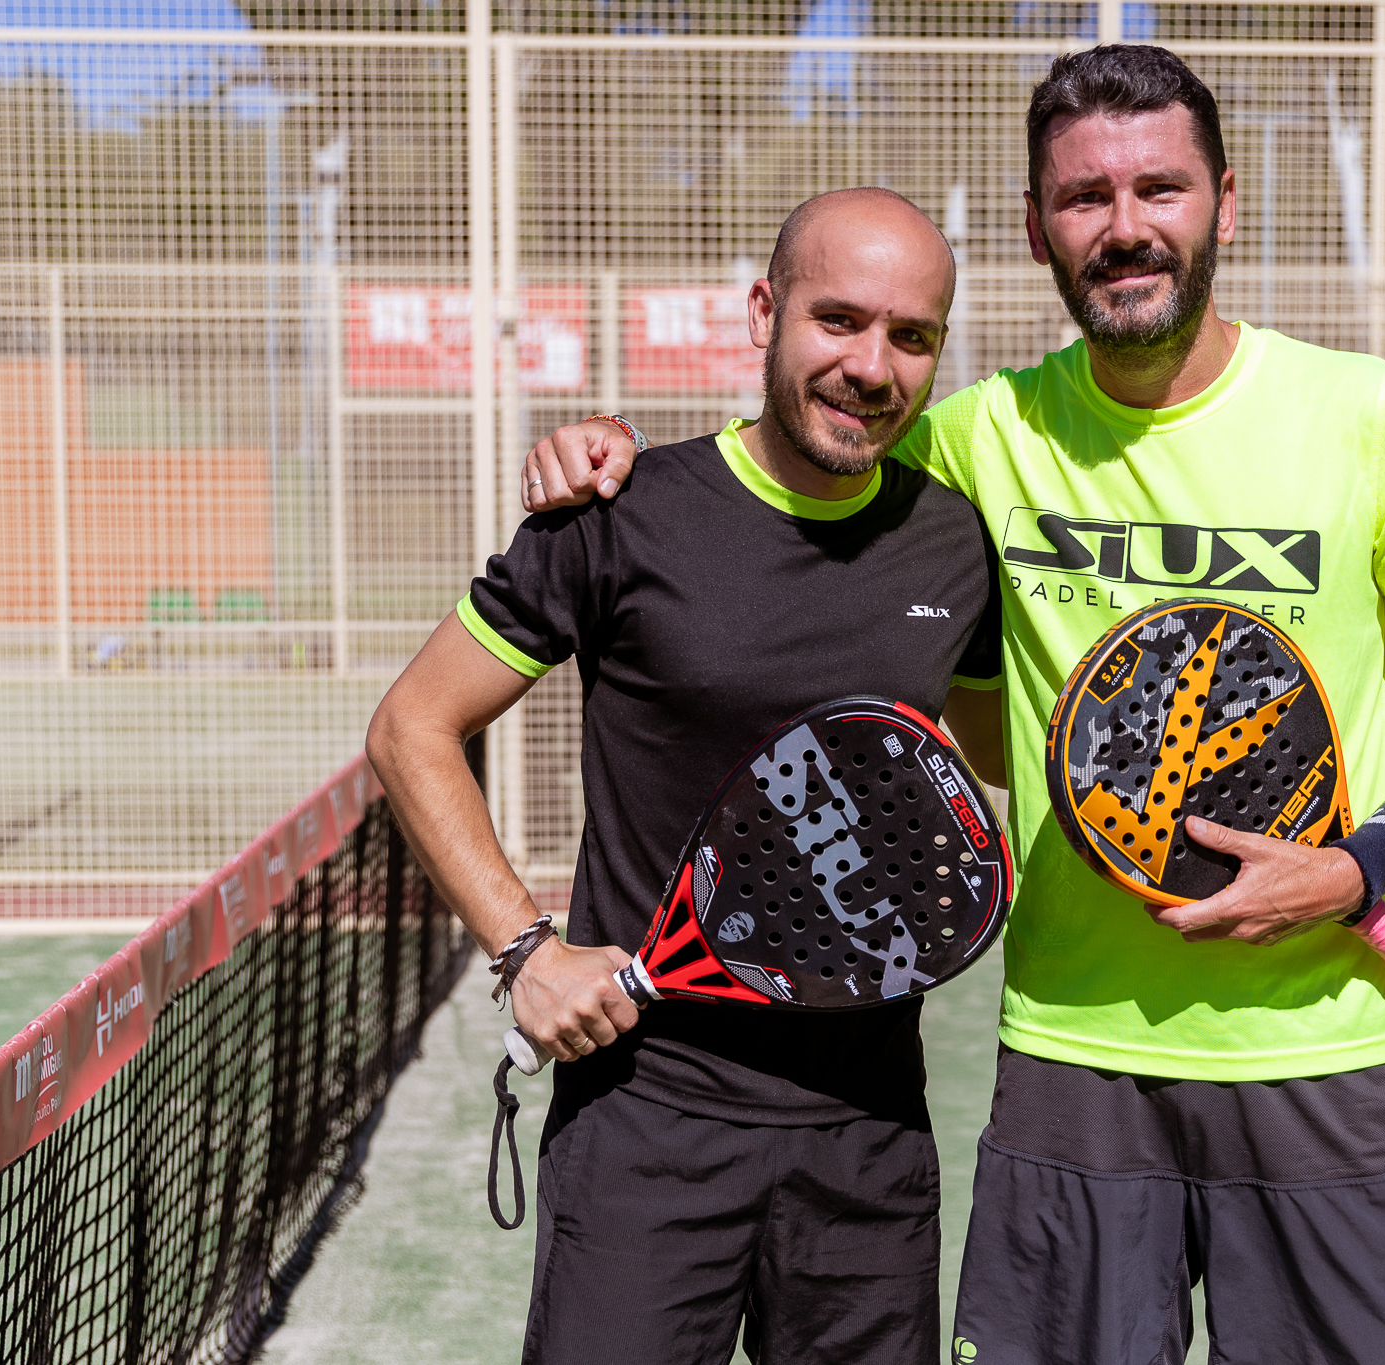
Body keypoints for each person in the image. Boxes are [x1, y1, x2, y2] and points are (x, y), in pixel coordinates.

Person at [526, 45, 1385, 1365]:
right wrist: (608, 448)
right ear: (1036, 228)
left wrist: (1354, 868)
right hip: (1070, 1059)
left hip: (1325, 1052)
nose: (1124, 226)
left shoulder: (1362, 413)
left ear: (1225, 204)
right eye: (1083, 197)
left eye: (1159, 188)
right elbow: (792, 454)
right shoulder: (972, 439)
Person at [366, 187, 1004, 1365]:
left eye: (909, 336)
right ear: (764, 313)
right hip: (642, 1125)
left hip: (868, 1137)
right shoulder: (618, 516)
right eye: (836, 320)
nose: (870, 366)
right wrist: (522, 951)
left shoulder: (952, 546)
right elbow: (413, 725)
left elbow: (988, 749)